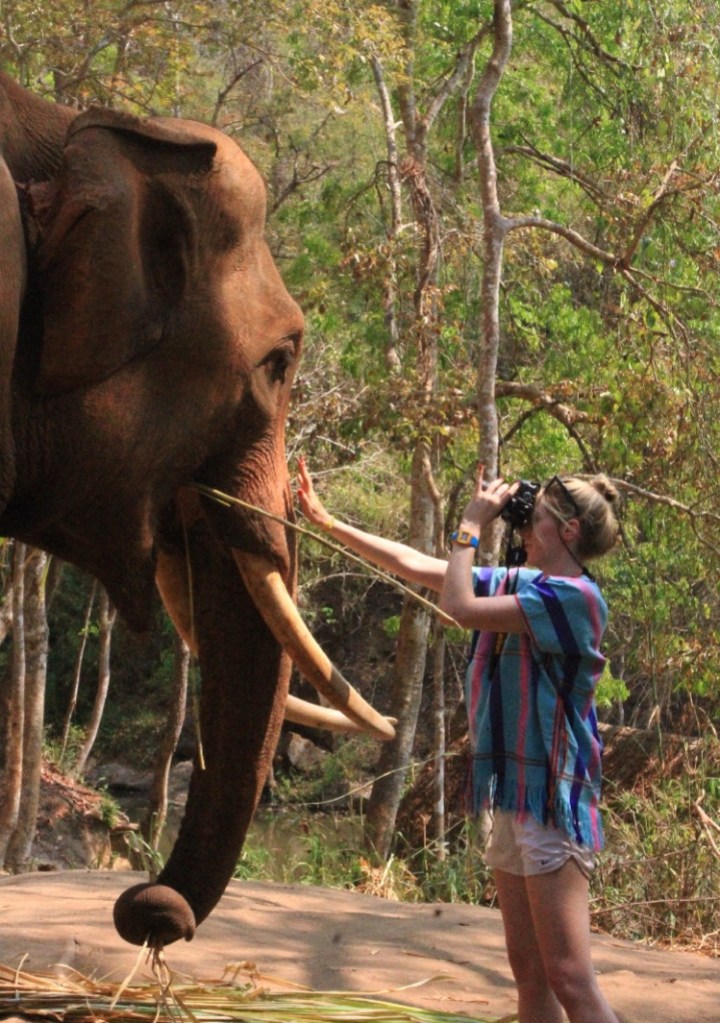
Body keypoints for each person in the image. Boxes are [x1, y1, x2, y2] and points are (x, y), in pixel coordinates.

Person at [296, 457, 620, 1023]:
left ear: (568, 531)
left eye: (535, 518)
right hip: (515, 793)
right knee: (530, 972)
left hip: (552, 797)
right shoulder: (532, 586)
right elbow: (422, 567)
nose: (523, 526)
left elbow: (458, 608)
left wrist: (471, 526)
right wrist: (329, 523)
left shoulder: (577, 600)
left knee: (570, 977)